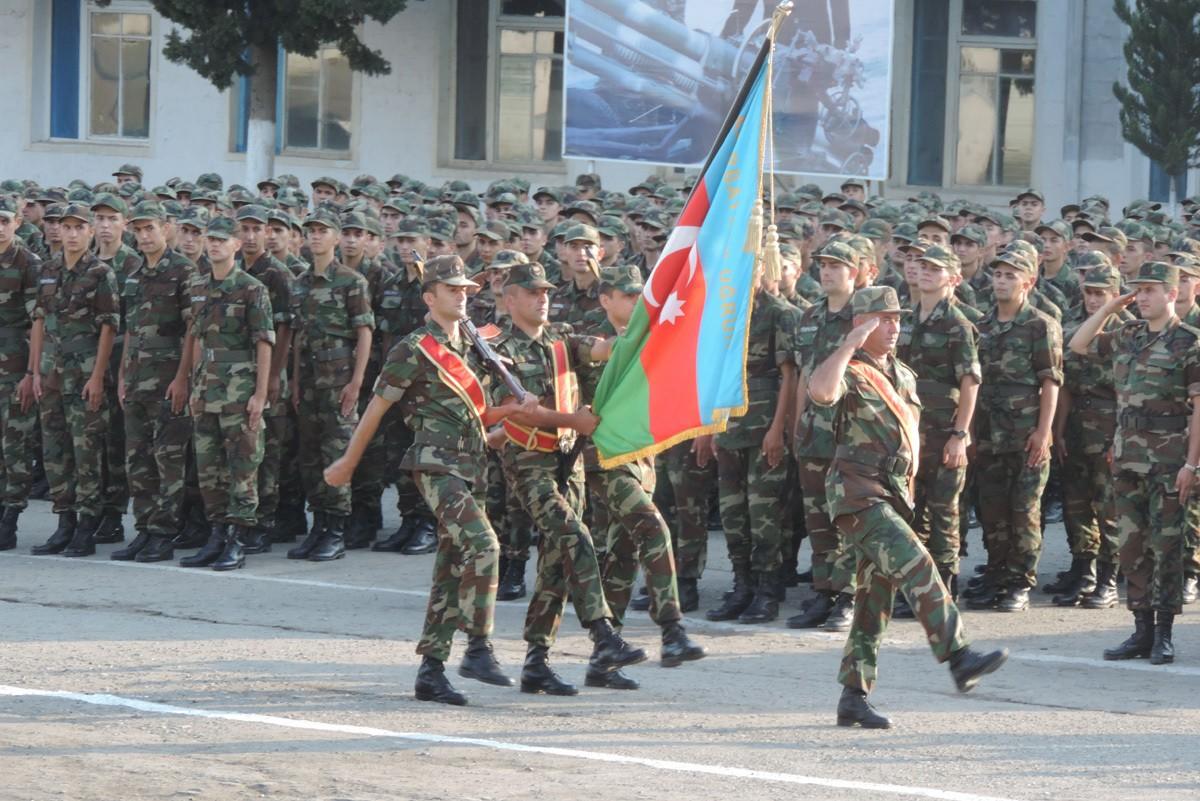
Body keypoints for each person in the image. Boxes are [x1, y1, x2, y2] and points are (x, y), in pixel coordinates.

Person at [325, 255, 532, 706]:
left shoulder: (472, 347)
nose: (462, 296)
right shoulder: (414, 348)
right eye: (452, 289)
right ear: (429, 296)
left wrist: (510, 415)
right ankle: (478, 647)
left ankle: (431, 671)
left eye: (466, 290)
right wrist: (347, 462)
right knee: (485, 546)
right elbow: (377, 410)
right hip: (435, 464)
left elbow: (476, 415)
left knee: (452, 569)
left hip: (472, 463)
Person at [806, 285, 1008, 729]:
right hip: (857, 492)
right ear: (861, 323)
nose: (894, 326)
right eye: (883, 318)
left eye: (897, 318)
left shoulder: (904, 375)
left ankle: (854, 695)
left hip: (892, 491)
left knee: (874, 597)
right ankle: (958, 655)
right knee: (917, 563)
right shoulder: (848, 369)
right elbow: (821, 393)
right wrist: (848, 346)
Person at [489, 260, 646, 695]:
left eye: (545, 291)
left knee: (557, 564)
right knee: (574, 537)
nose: (543, 298)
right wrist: (574, 421)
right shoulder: (499, 349)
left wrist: (648, 327)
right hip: (530, 463)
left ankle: (536, 661)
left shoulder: (561, 339)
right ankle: (603, 634)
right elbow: (521, 411)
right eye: (532, 292)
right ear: (511, 299)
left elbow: (603, 349)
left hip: (568, 463)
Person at [580, 265, 706, 688]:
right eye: (629, 296)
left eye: (642, 295)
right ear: (606, 299)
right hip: (602, 460)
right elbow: (599, 357)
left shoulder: (656, 338)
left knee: (620, 557)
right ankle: (672, 628)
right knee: (654, 530)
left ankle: (605, 656)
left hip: (640, 460)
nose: (638, 303)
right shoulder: (586, 338)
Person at [1069, 261, 1200, 665]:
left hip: (1169, 459)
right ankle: (1141, 630)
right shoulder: (1127, 335)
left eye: (1150, 290)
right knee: (1132, 547)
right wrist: (1109, 308)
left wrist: (1192, 466)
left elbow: (1199, 409)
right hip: (1127, 459)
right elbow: (1078, 344)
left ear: (1172, 294)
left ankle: (1163, 633)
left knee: (1167, 547)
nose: (1141, 297)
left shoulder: (1189, 341)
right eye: (1137, 291)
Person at [964, 249, 1062, 613]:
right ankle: (996, 573)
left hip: (1025, 434)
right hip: (989, 432)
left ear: (1028, 282)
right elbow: (972, 381)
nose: (1001, 281)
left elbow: (1051, 382)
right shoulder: (982, 324)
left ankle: (1020, 581)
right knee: (991, 510)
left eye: (1010, 275)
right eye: (998, 274)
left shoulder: (1040, 324)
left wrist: (1044, 432)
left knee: (1024, 510)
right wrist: (971, 431)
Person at [178, 216, 274, 571]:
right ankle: (216, 534)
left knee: (242, 466)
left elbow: (263, 342)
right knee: (209, 469)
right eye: (211, 239)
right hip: (207, 388)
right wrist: (193, 385)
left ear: (236, 244)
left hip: (239, 388)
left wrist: (260, 395)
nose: (215, 245)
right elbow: (198, 339)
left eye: (222, 239)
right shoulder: (199, 286)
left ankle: (237, 538)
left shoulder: (252, 289)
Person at [27, 203, 118, 557]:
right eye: (67, 227)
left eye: (80, 227)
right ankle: (64, 522)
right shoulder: (48, 269)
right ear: (59, 232)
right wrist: (35, 371)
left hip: (83, 372)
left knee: (86, 452)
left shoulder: (100, 273)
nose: (72, 233)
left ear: (90, 232)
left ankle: (86, 526)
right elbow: (39, 320)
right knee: (55, 452)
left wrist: (97, 377)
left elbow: (109, 326)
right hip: (51, 373)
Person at [110, 201, 197, 563]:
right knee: (138, 459)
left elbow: (193, 329)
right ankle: (144, 529)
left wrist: (182, 378)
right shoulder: (134, 273)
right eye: (139, 230)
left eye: (150, 229)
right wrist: (122, 374)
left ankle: (164, 532)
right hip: (137, 378)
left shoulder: (183, 270)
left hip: (167, 378)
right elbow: (130, 328)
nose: (144, 236)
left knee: (168, 459)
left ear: (166, 228)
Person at [286, 209, 374, 562]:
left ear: (336, 238)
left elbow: (364, 333)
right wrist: (293, 381)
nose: (316, 237)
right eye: (312, 231)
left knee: (337, 453)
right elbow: (297, 336)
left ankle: (336, 529)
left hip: (339, 381)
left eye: (323, 231)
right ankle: (319, 525)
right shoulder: (301, 282)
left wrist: (356, 382)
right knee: (309, 457)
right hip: (308, 382)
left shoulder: (351, 281)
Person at [896, 244, 980, 604]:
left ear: (954, 278)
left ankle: (945, 586)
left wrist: (960, 435)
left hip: (944, 428)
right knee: (911, 510)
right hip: (911, 431)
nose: (925, 272)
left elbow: (970, 382)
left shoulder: (958, 324)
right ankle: (917, 586)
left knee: (944, 512)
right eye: (922, 266)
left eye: (935, 268)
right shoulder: (907, 317)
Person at [1049, 259, 1128, 607]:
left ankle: (1109, 580)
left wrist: (1120, 438)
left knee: (1108, 506)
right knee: (1075, 503)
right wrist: (1059, 429)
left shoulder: (1128, 331)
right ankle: (1084, 571)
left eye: (1101, 294)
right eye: (1089, 293)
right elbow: (1065, 385)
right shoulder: (1073, 327)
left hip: (1110, 425)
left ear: (1115, 295)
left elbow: (1130, 393)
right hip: (1078, 426)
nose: (1093, 300)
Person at [0, 196, 41, 548]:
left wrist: (31, 372)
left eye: (4, 221)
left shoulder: (28, 262)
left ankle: (11, 516)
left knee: (15, 443)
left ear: (16, 222)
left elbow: (36, 322)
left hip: (14, 364)